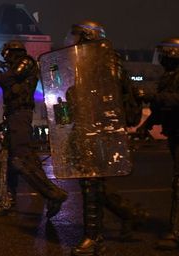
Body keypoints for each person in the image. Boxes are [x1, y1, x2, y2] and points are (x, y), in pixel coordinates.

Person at [62, 21, 148, 255]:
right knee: (90, 183)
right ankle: (128, 214)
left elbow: (108, 92)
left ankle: (94, 238)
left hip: (99, 128)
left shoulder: (107, 59)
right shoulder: (82, 60)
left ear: (88, 36)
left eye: (77, 35)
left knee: (91, 183)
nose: (71, 40)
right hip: (84, 126)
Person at [0, 41, 67, 218]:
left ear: (12, 52)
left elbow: (8, 79)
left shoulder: (26, 62)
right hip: (14, 115)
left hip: (20, 114)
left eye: (6, 53)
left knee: (21, 160)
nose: (4, 56)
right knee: (8, 160)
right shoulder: (15, 68)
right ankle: (8, 200)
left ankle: (53, 194)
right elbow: (6, 81)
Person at [139, 37, 179, 250]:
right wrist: (147, 124)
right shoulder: (169, 76)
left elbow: (172, 100)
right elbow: (162, 107)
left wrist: (153, 95)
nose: (162, 58)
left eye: (165, 54)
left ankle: (176, 232)